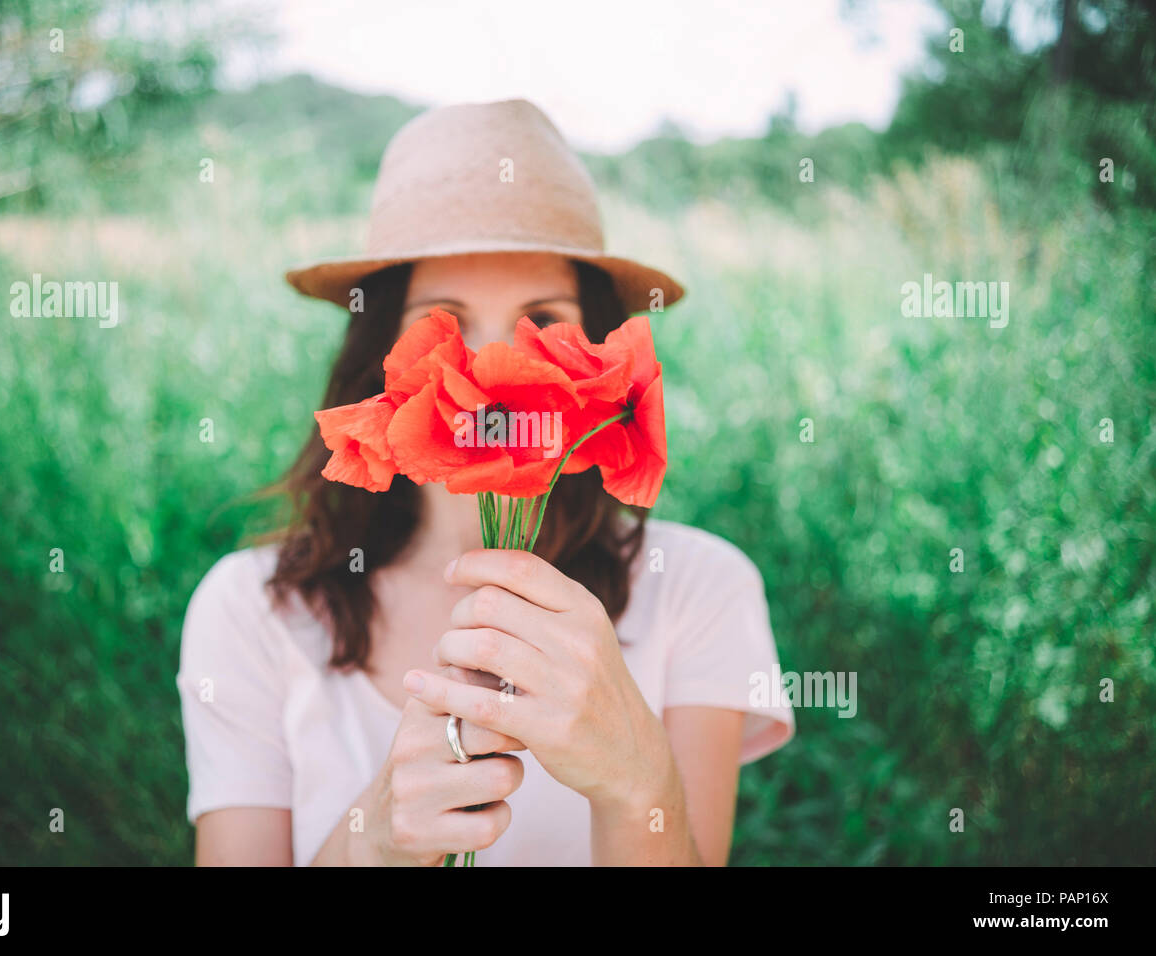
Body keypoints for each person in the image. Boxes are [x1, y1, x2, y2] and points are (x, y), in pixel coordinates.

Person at [176, 98, 795, 866]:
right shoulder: (250, 609)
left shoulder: (701, 588)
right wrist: (374, 837)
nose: (498, 367)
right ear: (381, 352)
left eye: (543, 319)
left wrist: (640, 784)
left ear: (602, 354)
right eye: (447, 320)